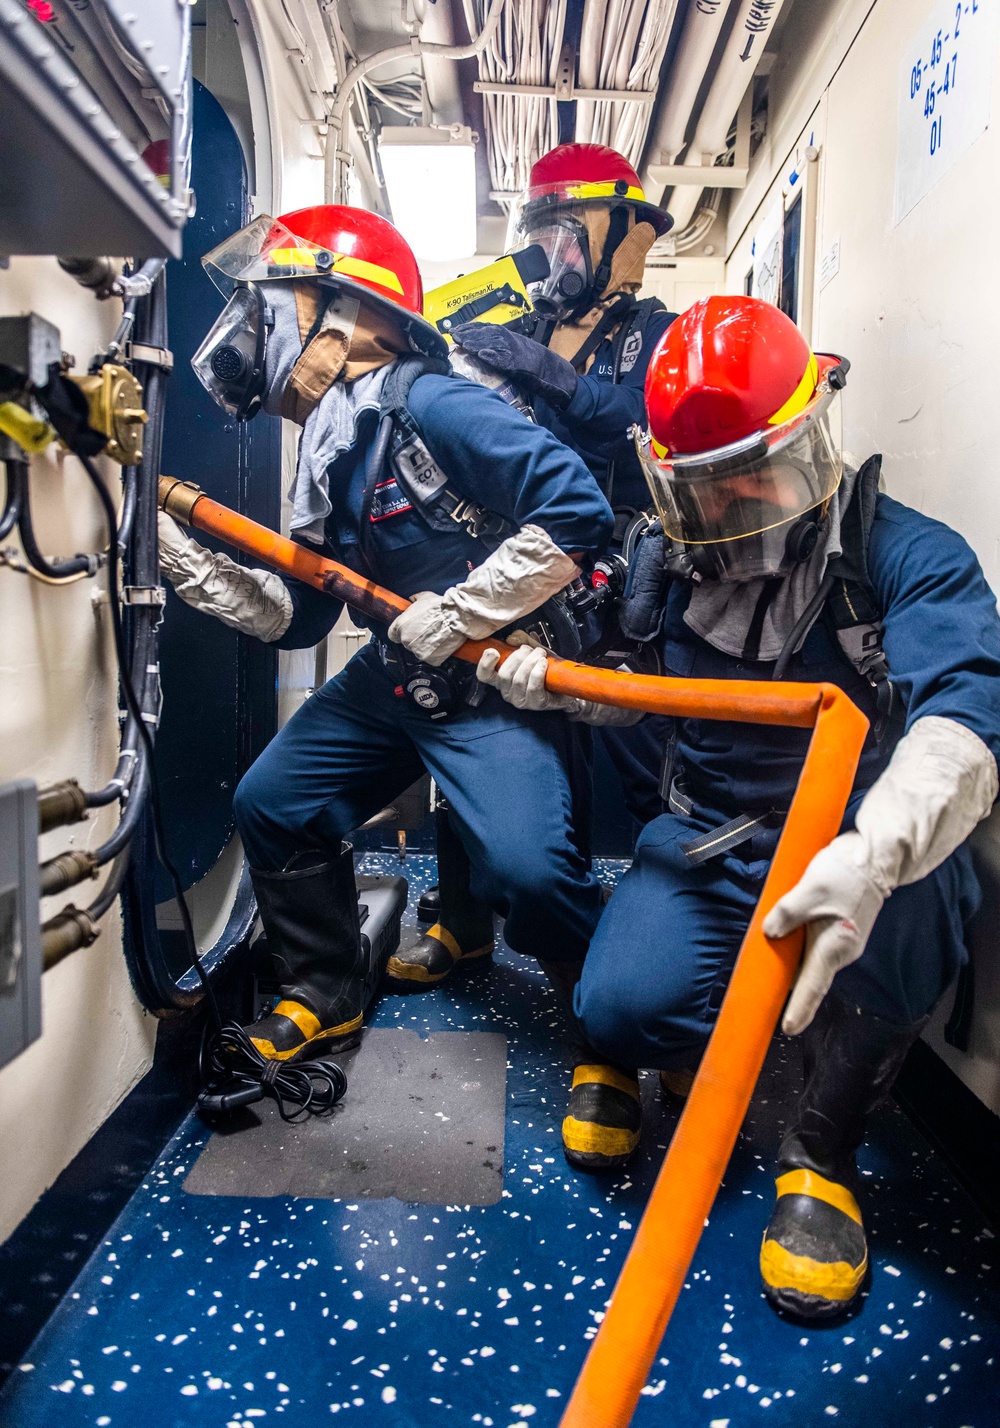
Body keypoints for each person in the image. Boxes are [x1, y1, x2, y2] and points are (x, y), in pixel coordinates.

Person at [477, 295, 1000, 1317]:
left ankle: (820, 1150)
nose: (740, 502)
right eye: (709, 487)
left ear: (812, 432)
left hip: (855, 844)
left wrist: (878, 847)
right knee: (621, 1008)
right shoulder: (663, 560)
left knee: (924, 906)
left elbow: (967, 721)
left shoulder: (906, 555)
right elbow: (635, 692)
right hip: (707, 831)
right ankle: (672, 1048)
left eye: (758, 470)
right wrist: (560, 683)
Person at [157, 203, 633, 1143]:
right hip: (394, 679)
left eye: (275, 301)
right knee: (272, 801)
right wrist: (180, 560)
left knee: (531, 873)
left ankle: (605, 1039)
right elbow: (303, 617)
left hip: (489, 680)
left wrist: (454, 616)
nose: (255, 326)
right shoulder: (331, 444)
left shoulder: (431, 401)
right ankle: (325, 986)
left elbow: (577, 511)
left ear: (346, 317)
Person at [392, 144, 677, 997]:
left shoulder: (656, 333)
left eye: (568, 233)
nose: (554, 255)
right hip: (519, 566)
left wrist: (552, 376)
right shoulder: (513, 329)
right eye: (541, 235)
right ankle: (461, 918)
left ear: (619, 233)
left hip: (626, 575)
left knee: (634, 760)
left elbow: (653, 427)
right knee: (478, 731)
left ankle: (641, 952)